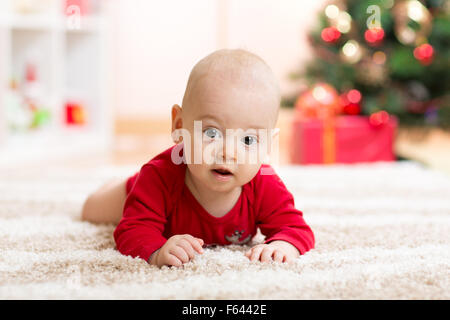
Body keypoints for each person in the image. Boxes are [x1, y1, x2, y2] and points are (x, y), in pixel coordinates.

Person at [81, 49, 315, 267]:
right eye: (211, 133)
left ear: (268, 145)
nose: (228, 152)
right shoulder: (158, 176)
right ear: (179, 125)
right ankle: (118, 185)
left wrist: (284, 244)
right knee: (91, 211)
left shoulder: (265, 183)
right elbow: (132, 230)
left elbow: (296, 228)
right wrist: (157, 251)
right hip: (137, 192)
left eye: (248, 140)